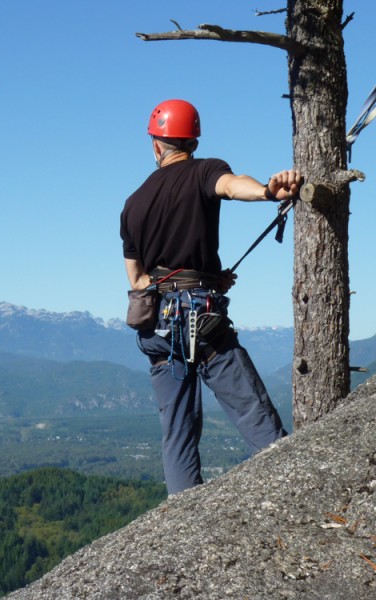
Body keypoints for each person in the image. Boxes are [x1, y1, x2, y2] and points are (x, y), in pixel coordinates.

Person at [119, 98, 302, 495]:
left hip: (158, 328)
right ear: (193, 142)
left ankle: (182, 514)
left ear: (156, 145)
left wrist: (201, 277)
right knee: (253, 412)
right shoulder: (205, 170)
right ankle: (295, 493)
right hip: (200, 323)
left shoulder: (132, 205)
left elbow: (138, 280)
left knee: (178, 431)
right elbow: (234, 187)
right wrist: (270, 192)